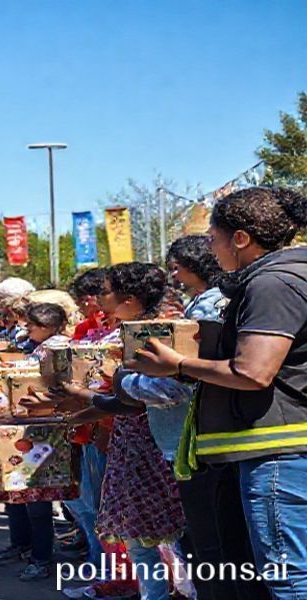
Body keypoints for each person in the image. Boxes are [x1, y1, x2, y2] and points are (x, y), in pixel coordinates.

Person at [133, 187, 307, 599]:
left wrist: (177, 365)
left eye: (214, 239)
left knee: (289, 576)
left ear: (241, 238)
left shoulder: (272, 284)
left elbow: (253, 372)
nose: (211, 251)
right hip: (282, 451)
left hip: (278, 455)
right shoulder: (286, 276)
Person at [53, 263, 188, 600]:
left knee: (173, 538)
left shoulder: (157, 333)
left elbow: (157, 394)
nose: (100, 297)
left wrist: (108, 387)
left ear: (128, 298)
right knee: (138, 535)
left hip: (158, 447)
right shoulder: (126, 331)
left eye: (106, 290)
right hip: (130, 444)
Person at [0, 302, 69, 583]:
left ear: (48, 326)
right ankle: (23, 545)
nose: (27, 329)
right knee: (18, 491)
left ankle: (41, 557)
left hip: (43, 430)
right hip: (27, 427)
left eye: (32, 325)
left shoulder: (56, 348)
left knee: (36, 495)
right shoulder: (40, 346)